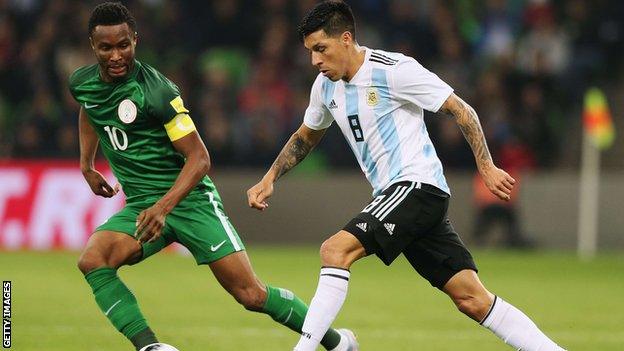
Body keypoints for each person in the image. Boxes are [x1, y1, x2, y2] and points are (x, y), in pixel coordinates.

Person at [247, 1, 566, 350]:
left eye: (320, 49)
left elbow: (462, 109)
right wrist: (270, 178)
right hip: (401, 198)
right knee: (472, 298)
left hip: (416, 186)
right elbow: (305, 137)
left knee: (334, 251)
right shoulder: (325, 88)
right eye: (310, 52)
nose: (315, 61)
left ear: (346, 39)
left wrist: (486, 165)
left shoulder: (393, 69)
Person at [68, 3, 356, 351]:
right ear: (92, 46)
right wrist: (87, 163)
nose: (116, 55)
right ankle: (151, 347)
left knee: (251, 294)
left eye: (123, 45)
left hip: (190, 202)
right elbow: (91, 109)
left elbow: (200, 159)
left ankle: (338, 343)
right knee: (93, 260)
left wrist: (164, 207)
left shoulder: (158, 92)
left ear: (135, 41)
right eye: (106, 47)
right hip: (145, 207)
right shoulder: (82, 83)